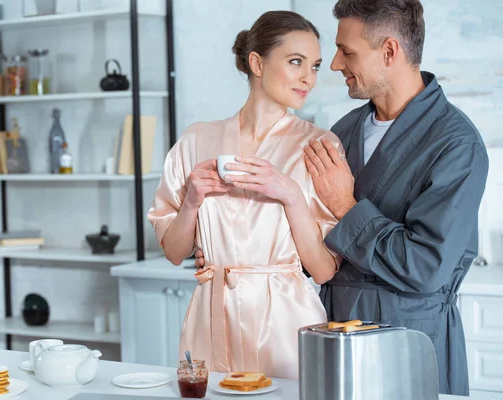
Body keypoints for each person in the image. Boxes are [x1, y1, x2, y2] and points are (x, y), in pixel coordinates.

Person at [301, 0, 488, 395]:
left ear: (389, 51)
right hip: (333, 328)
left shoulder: (455, 144)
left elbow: (424, 267)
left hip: (410, 335)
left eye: (347, 52)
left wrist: (345, 207)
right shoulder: (343, 130)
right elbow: (313, 234)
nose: (335, 65)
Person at [147, 11, 344, 379]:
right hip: (212, 313)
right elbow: (174, 253)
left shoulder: (319, 146)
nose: (309, 78)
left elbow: (322, 269)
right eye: (296, 62)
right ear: (257, 63)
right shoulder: (195, 141)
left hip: (286, 321)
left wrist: (289, 194)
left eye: (315, 66)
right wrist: (192, 200)